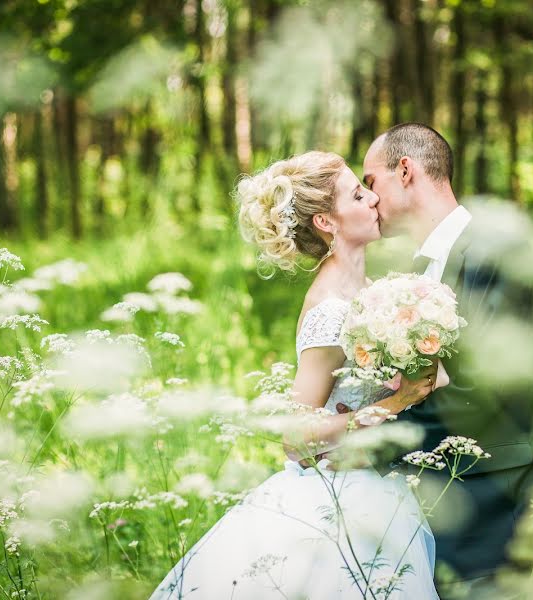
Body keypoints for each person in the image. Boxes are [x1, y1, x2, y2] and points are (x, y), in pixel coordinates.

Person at [150, 151, 440, 599]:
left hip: (376, 482)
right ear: (327, 221)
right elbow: (295, 439)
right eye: (357, 194)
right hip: (337, 498)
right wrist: (394, 404)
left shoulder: (368, 293)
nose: (373, 200)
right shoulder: (330, 309)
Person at [362, 123, 533, 599]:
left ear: (405, 171)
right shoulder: (419, 269)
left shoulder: (493, 251)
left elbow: (487, 388)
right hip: (450, 493)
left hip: (497, 498)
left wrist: (374, 436)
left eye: (371, 182)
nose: (369, 199)